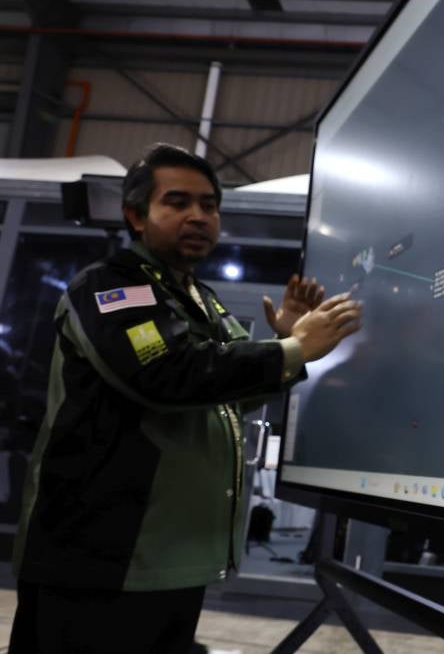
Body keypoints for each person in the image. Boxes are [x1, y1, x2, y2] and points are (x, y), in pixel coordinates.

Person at [8, 143, 362, 653]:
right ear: (136, 215)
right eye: (177, 202)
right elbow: (165, 375)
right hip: (100, 560)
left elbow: (227, 397)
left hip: (168, 560)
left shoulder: (198, 299)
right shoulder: (112, 288)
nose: (198, 216)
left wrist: (285, 343)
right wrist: (293, 347)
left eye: (210, 205)